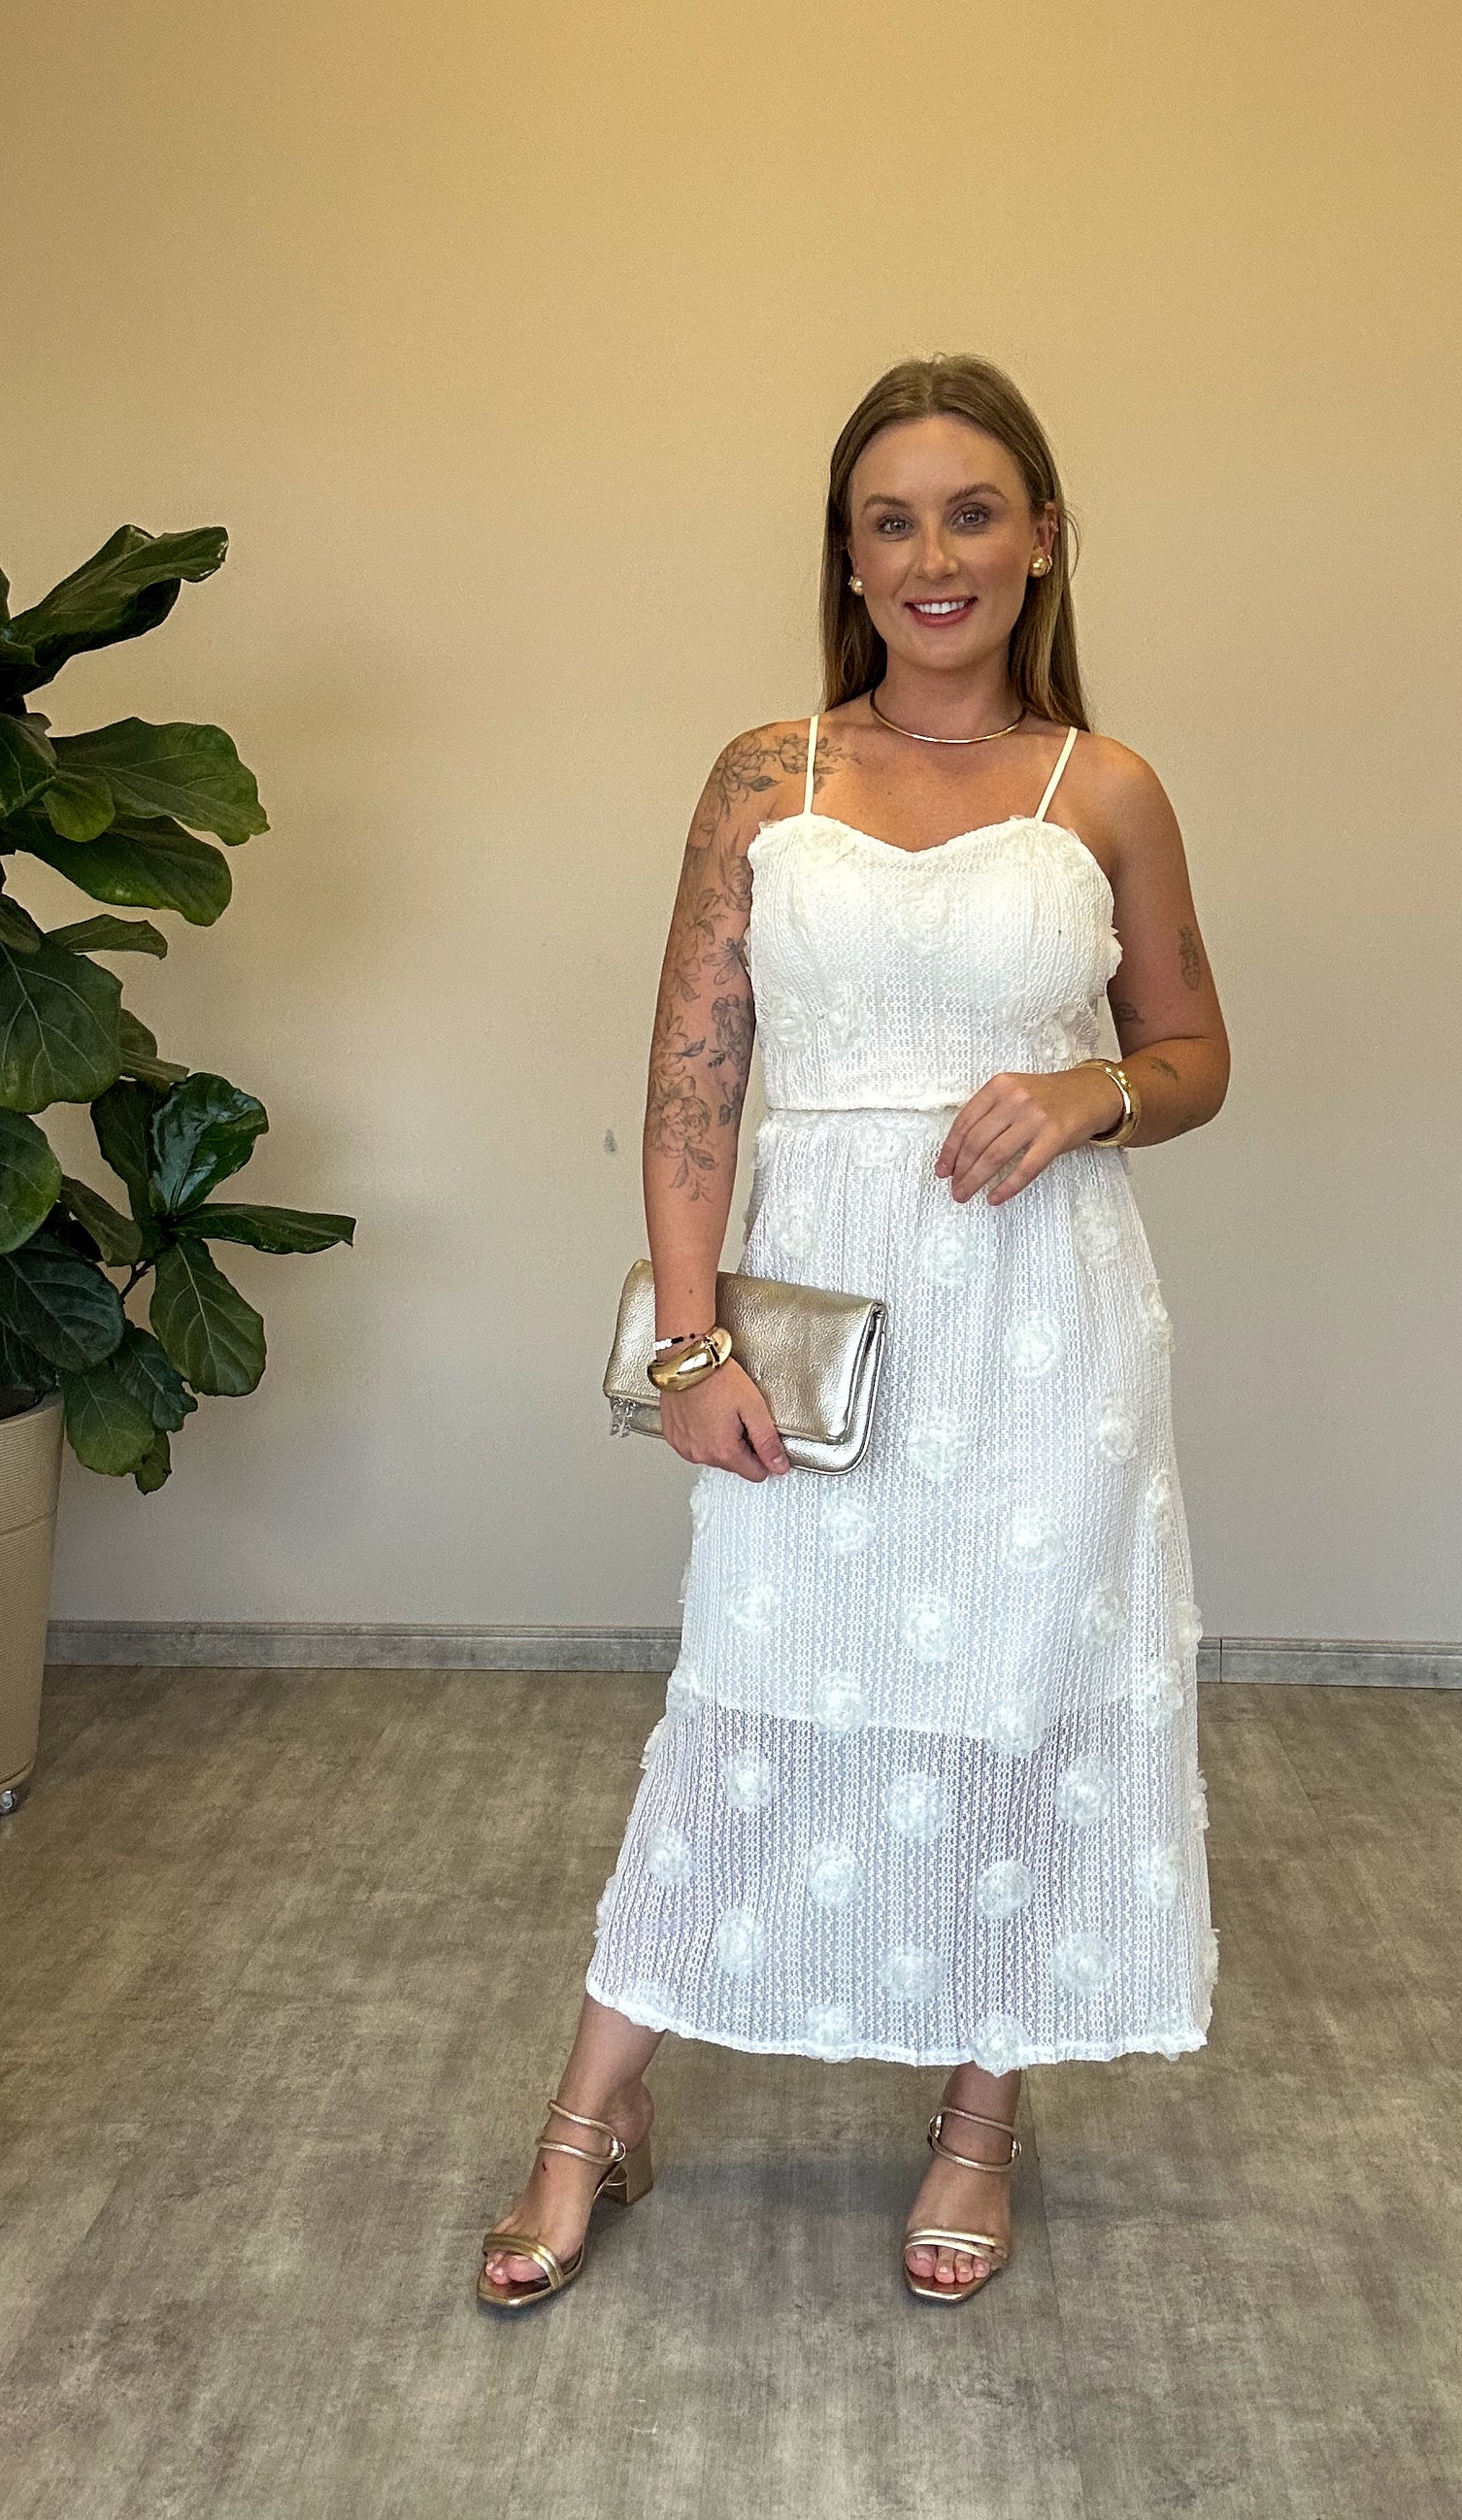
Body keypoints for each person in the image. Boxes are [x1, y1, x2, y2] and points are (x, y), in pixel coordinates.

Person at [480, 351, 1230, 2312]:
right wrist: (686, 1345)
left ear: (1041, 536)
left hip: (1044, 1328)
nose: (931, 555)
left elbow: (1194, 1052)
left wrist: (1090, 1090)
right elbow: (690, 1081)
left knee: (1019, 1700)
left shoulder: (1104, 789)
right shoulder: (767, 774)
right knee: (750, 1690)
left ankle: (979, 2117)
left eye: (970, 512)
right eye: (888, 520)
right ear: (846, 552)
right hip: (823, 1318)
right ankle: (589, 2116)